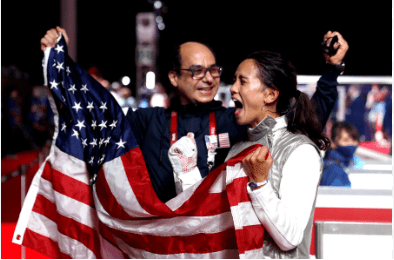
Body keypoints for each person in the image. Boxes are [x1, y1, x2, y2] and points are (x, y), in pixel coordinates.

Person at [40, 27, 348, 203]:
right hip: (162, 246)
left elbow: (305, 117)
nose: (208, 78)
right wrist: (59, 63)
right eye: (196, 71)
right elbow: (97, 114)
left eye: (213, 70)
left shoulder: (236, 121)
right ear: (174, 77)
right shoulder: (149, 123)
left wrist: (332, 70)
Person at [170, 50, 331, 258]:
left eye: (242, 82)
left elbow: (290, 237)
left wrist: (260, 185)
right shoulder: (238, 148)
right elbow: (211, 219)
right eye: (234, 80)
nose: (233, 88)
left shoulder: (301, 150)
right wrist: (187, 172)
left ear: (270, 95)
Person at [320, 121, 363, 187]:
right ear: (333, 142)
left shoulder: (355, 163)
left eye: (354, 139)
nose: (352, 143)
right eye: (346, 140)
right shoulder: (333, 170)